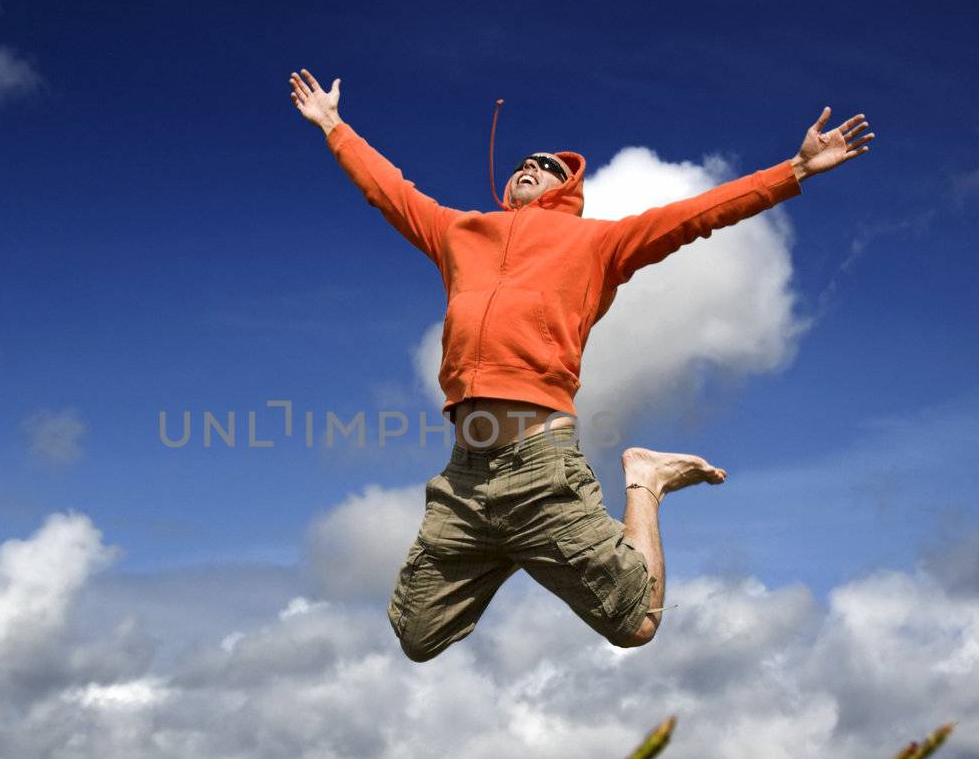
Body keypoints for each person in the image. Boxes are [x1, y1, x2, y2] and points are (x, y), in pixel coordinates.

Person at [288, 68, 872, 662]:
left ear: (568, 189)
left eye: (550, 165)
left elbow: (698, 215)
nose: (531, 165)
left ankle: (645, 480)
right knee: (416, 635)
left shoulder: (596, 244)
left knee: (637, 623)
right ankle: (515, 547)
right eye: (526, 160)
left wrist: (794, 170)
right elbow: (389, 190)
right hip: (465, 478)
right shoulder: (459, 233)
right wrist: (334, 125)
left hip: (540, 467)